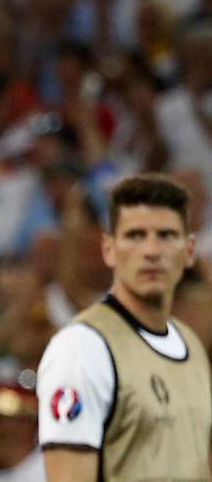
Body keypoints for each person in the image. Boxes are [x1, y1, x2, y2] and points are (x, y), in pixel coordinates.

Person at [37, 173, 211, 481]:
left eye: (166, 235)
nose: (151, 251)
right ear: (109, 249)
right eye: (135, 236)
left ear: (188, 250)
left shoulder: (191, 346)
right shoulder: (84, 347)